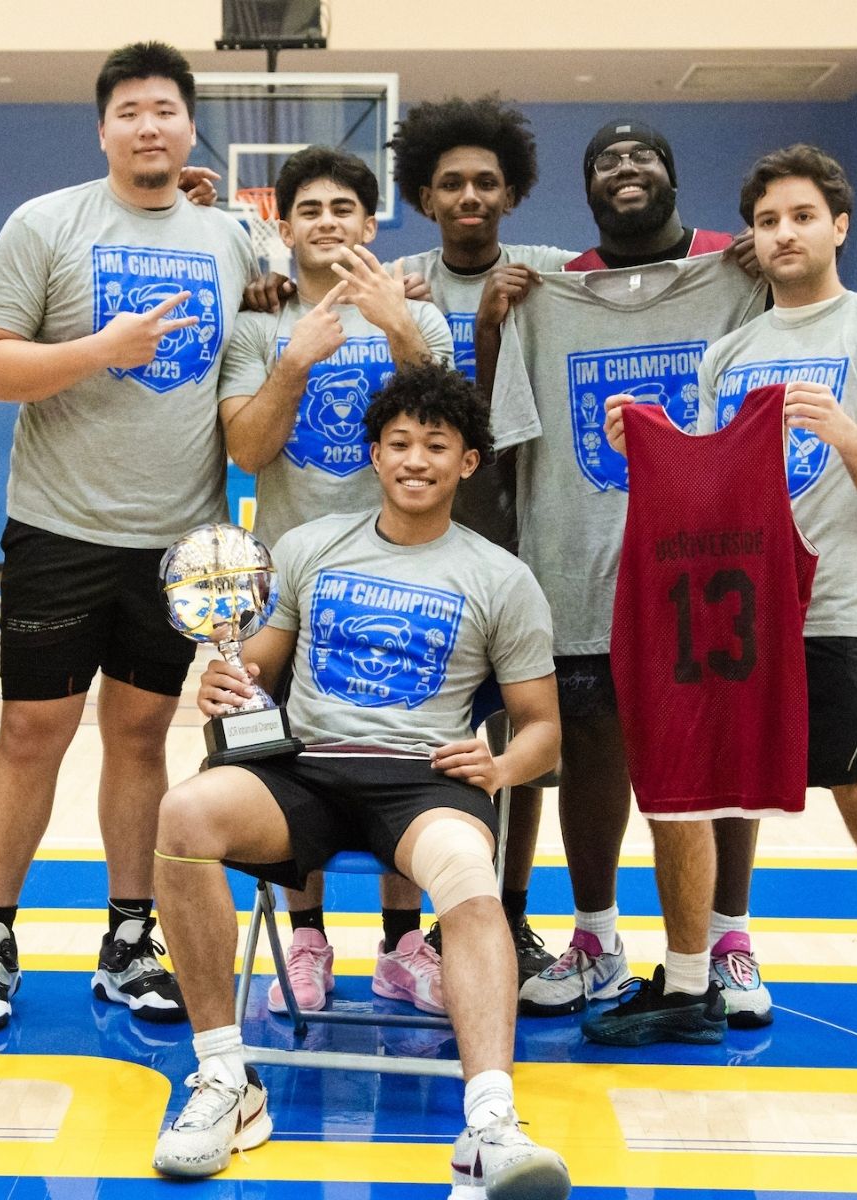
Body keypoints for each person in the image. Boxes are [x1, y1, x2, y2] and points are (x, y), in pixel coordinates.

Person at [603, 143, 857, 1139]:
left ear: (838, 226)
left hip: (835, 617)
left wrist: (842, 431)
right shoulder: (727, 357)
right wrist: (640, 444)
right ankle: (688, 983)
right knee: (680, 799)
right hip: (733, 616)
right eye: (767, 220)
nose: (783, 234)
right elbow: (706, 494)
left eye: (801, 216)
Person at [149, 363, 570, 1199]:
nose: (416, 460)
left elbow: (543, 727)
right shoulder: (310, 548)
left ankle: (489, 1122)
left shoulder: (501, 577)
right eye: (400, 443)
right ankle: (226, 1080)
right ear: (374, 455)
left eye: (436, 446)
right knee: (184, 812)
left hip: (424, 780)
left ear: (467, 463)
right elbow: (259, 670)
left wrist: (501, 766)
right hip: (304, 768)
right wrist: (228, 682)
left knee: (468, 875)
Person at [0, 42, 260, 1032]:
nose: (147, 125)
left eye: (164, 109)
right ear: (102, 131)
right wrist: (104, 348)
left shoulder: (228, 238)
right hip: (61, 530)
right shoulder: (45, 223)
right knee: (31, 735)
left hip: (175, 545)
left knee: (139, 740)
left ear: (188, 127)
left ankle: (129, 941)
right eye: (128, 111)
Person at [482, 118, 771, 1027]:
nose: (626, 168)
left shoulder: (737, 275)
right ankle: (596, 938)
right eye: (606, 160)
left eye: (643, 155)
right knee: (592, 757)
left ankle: (728, 941)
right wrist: (496, 318)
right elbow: (505, 432)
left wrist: (768, 271)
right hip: (579, 569)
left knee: (718, 764)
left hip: (705, 572)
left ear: (673, 176)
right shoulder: (549, 292)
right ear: (589, 188)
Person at [216, 144, 455, 1014]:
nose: (326, 222)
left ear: (371, 223)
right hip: (292, 586)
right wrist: (293, 361)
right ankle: (307, 938)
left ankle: (401, 944)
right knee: (287, 759)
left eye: (343, 208)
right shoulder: (258, 326)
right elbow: (248, 450)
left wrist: (396, 328)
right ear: (283, 228)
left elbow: (450, 424)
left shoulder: (416, 318)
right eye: (309, 209)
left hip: (407, 579)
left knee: (407, 752)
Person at [386, 97, 573, 988]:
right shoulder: (399, 280)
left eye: (487, 183)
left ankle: (512, 910)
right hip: (418, 552)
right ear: (426, 197)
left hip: (519, 545)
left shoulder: (550, 272)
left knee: (513, 748)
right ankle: (421, 925)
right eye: (452, 183)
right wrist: (264, 285)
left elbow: (648, 273)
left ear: (512, 193)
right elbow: (306, 289)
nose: (471, 196)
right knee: (420, 731)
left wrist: (731, 254)